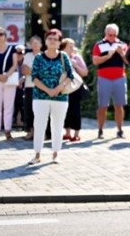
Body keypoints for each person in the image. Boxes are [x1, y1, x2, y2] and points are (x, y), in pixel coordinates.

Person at [28, 29, 74, 165]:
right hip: (40, 96)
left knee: (58, 125)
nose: (52, 41)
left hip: (60, 97)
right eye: (50, 38)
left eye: (55, 39)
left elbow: (70, 75)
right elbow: (34, 77)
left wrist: (57, 89)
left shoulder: (63, 56)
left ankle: (56, 153)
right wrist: (48, 90)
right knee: (39, 125)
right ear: (45, 41)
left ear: (60, 42)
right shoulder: (39, 57)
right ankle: (37, 154)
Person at [93, 23, 129, 138]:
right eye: (110, 35)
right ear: (105, 34)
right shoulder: (99, 45)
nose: (112, 37)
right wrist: (107, 57)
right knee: (103, 106)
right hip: (104, 78)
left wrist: (122, 54)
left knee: (119, 105)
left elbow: (129, 62)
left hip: (120, 78)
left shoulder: (122, 45)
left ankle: (119, 129)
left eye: (114, 35)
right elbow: (95, 61)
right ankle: (100, 130)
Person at [61, 38, 88, 142]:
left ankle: (76, 133)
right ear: (63, 48)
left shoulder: (77, 57)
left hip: (75, 87)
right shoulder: (59, 58)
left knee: (75, 109)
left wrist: (75, 64)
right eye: (70, 46)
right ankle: (67, 132)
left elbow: (85, 72)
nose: (72, 49)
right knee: (65, 109)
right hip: (63, 87)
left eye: (73, 46)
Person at [20, 34, 43, 140]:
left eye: (36, 43)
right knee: (29, 109)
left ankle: (40, 133)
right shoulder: (27, 56)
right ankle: (31, 131)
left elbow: (44, 73)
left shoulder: (44, 56)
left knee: (40, 111)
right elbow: (24, 70)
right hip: (29, 86)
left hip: (41, 87)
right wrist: (36, 72)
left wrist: (31, 71)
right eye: (32, 43)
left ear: (41, 45)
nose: (34, 45)